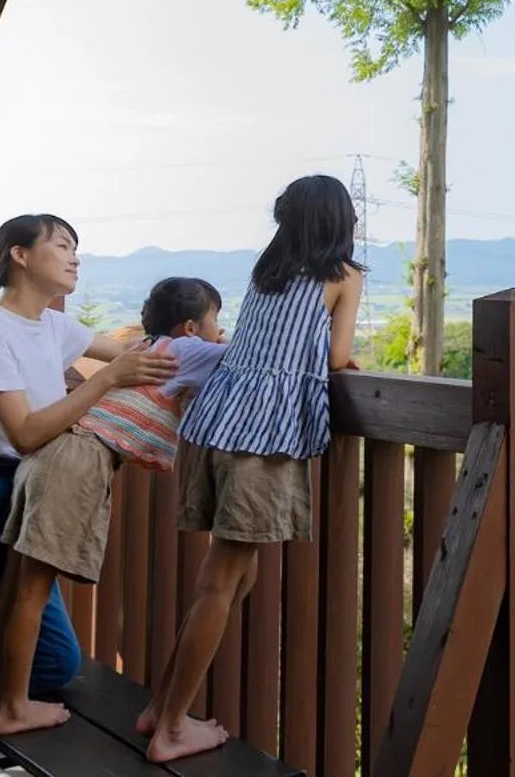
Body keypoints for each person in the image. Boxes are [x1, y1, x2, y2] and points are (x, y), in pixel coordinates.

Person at [0, 213, 178, 777]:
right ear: (20, 256)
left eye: (77, 248)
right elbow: (23, 432)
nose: (75, 257)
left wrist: (211, 348)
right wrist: (102, 382)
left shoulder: (49, 325)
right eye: (63, 245)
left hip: (26, 497)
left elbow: (130, 351)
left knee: (55, 660)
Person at [140, 175, 364, 762]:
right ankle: (169, 729)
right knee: (222, 581)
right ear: (341, 221)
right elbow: (338, 356)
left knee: (237, 577)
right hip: (265, 436)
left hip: (220, 422)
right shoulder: (342, 277)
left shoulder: (268, 272)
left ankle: (158, 708)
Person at [0, 277, 228, 735]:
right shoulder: (188, 350)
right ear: (192, 326)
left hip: (54, 453)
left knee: (16, 591)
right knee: (30, 595)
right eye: (217, 320)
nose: (220, 330)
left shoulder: (146, 346)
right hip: (79, 461)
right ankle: (11, 708)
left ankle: (2, 701)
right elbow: (252, 360)